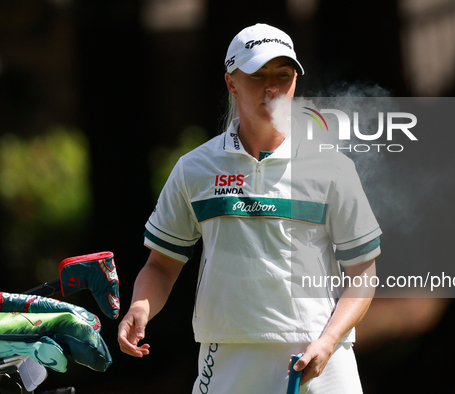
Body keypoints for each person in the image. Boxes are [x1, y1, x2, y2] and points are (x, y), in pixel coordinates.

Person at [117, 23, 382, 394]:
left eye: (283, 75)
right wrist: (140, 308)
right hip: (228, 354)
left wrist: (328, 341)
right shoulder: (195, 168)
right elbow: (161, 264)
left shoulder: (333, 167)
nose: (272, 87)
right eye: (258, 75)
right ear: (231, 83)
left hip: (321, 354)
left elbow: (363, 272)